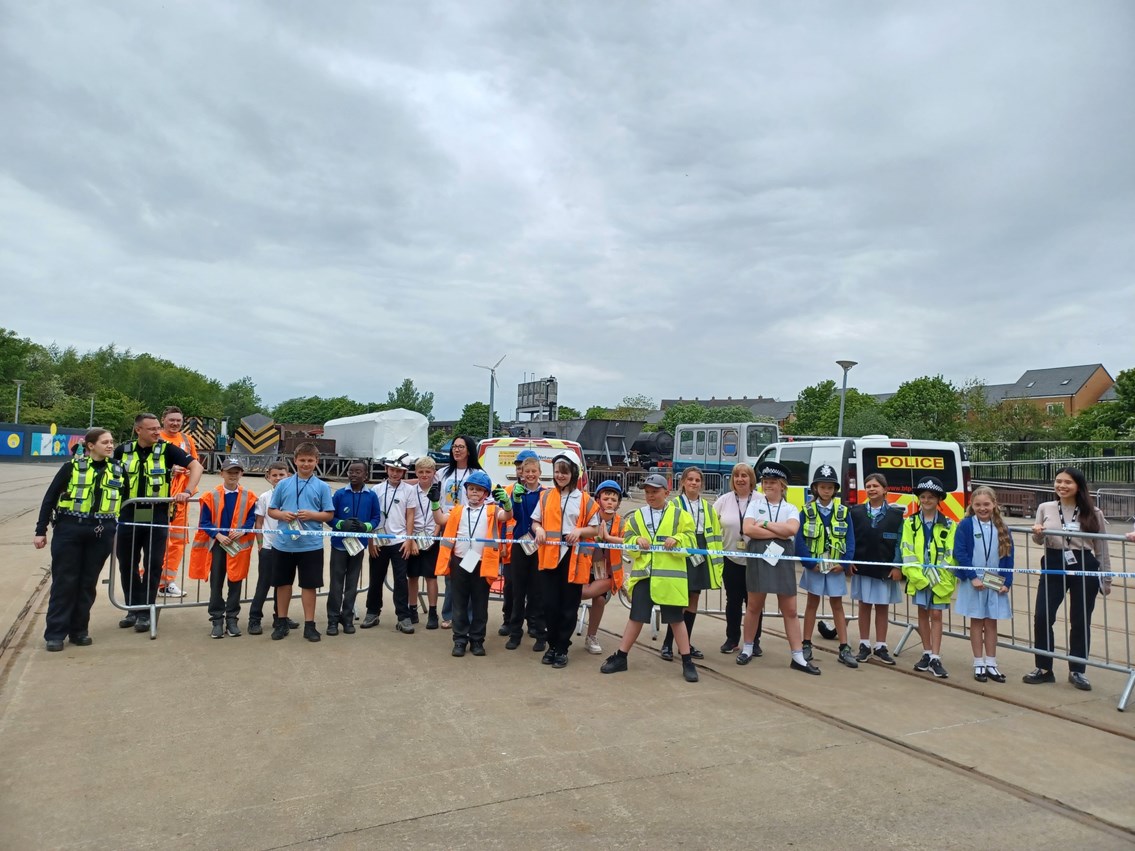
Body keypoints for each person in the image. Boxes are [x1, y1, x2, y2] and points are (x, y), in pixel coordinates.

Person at [600, 473, 699, 683]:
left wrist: (678, 538)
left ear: (666, 492)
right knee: (636, 617)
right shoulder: (637, 516)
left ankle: (687, 660)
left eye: (655, 492)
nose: (650, 496)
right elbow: (628, 541)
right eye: (647, 492)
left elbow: (691, 541)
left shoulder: (681, 515)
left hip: (670, 580)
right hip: (644, 576)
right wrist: (637, 540)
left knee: (676, 619)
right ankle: (621, 657)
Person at [33, 428, 124, 651]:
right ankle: (55, 633)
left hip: (101, 532)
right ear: (90, 446)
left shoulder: (118, 470)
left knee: (87, 583)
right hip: (70, 529)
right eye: (105, 442)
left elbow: (126, 500)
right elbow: (50, 498)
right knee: (65, 582)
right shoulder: (71, 468)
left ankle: (79, 630)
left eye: (112, 442)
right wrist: (41, 529)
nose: (110, 446)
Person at [1023, 466, 1111, 691]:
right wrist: (1037, 533)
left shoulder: (1094, 512)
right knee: (1042, 615)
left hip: (1084, 564)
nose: (1061, 485)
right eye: (1058, 481)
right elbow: (1037, 540)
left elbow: (1101, 548)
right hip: (1053, 561)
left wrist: (1106, 578)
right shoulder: (1046, 507)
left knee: (1080, 620)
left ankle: (1078, 670)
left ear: (1078, 486)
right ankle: (1044, 667)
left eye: (1067, 482)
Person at [114, 413, 203, 634]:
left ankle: (146, 610)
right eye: (152, 429)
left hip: (156, 516)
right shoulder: (122, 451)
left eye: (157, 428)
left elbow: (196, 466)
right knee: (127, 563)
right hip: (129, 514)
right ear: (138, 430)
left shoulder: (167, 450)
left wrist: (187, 491)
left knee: (154, 564)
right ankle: (132, 608)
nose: (157, 432)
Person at [738, 462, 817, 674]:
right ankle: (747, 648)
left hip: (782, 558)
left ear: (782, 486)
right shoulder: (755, 504)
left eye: (772, 482)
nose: (767, 485)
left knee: (790, 609)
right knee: (754, 605)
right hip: (758, 556)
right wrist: (778, 533)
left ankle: (798, 656)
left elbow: (792, 529)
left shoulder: (791, 508)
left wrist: (764, 525)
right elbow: (748, 530)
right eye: (765, 482)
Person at [531, 454, 599, 668]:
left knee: (569, 605)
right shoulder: (546, 496)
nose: (560, 476)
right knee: (549, 604)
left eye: (565, 472)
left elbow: (595, 529)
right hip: (550, 556)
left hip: (574, 557)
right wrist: (539, 529)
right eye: (557, 471)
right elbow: (535, 522)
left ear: (574, 474)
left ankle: (562, 648)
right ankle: (552, 645)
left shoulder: (586, 500)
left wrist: (579, 531)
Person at [433, 471, 511, 657]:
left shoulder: (492, 510)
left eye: (479, 490)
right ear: (466, 491)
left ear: (486, 494)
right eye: (471, 489)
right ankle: (460, 640)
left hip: (482, 563)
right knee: (459, 603)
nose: (475, 493)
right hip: (460, 561)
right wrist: (435, 503)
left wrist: (507, 503)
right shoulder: (457, 510)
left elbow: (507, 516)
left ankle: (477, 640)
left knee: (479, 603)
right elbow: (439, 520)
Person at [267, 443, 335, 642]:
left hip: (311, 545)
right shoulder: (283, 484)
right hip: (284, 543)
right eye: (302, 460)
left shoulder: (322, 486)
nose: (306, 464)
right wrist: (282, 514)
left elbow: (329, 515)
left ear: (316, 462)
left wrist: (313, 515)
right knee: (283, 584)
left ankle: (310, 625)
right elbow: (272, 510)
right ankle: (281, 622)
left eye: (310, 460)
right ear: (295, 461)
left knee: (309, 585)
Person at [186, 458, 257, 639]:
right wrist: (218, 535)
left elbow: (251, 519)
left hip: (237, 545)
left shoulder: (249, 496)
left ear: (241, 473)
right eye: (229, 472)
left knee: (236, 581)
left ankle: (232, 619)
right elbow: (205, 522)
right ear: (222, 474)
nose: (233, 475)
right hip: (218, 545)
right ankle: (217, 620)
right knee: (216, 582)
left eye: (237, 472)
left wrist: (242, 531)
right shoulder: (211, 496)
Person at [796, 465, 859, 668]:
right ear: (815, 488)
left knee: (837, 605)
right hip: (815, 566)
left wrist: (844, 563)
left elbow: (850, 540)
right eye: (822, 487)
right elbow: (800, 540)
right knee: (811, 604)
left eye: (830, 487)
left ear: (835, 490)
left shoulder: (843, 512)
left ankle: (844, 647)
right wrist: (809, 563)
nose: (826, 491)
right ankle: (806, 644)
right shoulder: (806, 511)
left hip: (834, 567)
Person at [661, 467, 723, 661]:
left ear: (701, 484)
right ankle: (667, 643)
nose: (694, 483)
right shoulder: (674, 505)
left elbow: (714, 533)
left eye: (697, 480)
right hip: (681, 551)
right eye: (690, 480)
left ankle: (684, 644)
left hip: (700, 552)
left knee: (693, 598)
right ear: (683, 483)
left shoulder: (708, 506)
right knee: (679, 599)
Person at [953, 486, 1014, 683]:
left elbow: (1008, 556)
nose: (982, 508)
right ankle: (978, 662)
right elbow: (960, 553)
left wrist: (1007, 581)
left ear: (994, 504)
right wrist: (973, 577)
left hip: (994, 579)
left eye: (986, 504)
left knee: (991, 622)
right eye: (977, 504)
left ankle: (991, 663)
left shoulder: (1002, 527)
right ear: (972, 505)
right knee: (977, 621)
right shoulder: (966, 525)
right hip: (975, 579)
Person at [900, 476, 958, 679]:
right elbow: (907, 552)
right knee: (922, 614)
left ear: (939, 499)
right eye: (923, 497)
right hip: (919, 579)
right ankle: (926, 653)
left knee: (937, 615)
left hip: (940, 580)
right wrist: (920, 578)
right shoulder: (911, 523)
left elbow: (951, 554)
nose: (926, 500)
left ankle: (935, 656)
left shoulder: (950, 524)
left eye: (931, 497)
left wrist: (937, 578)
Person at [848, 473, 904, 665]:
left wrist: (897, 566)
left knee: (882, 606)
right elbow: (850, 539)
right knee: (864, 604)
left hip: (884, 569)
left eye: (875, 486)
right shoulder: (855, 512)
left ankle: (881, 645)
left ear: (885, 489)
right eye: (868, 486)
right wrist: (849, 560)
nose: (871, 489)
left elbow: (899, 542)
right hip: (862, 567)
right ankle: (864, 644)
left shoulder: (896, 516)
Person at [713, 463, 763, 655]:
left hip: (755, 560)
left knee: (754, 602)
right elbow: (711, 523)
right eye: (736, 476)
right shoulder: (723, 501)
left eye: (744, 475)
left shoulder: (761, 500)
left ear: (751, 479)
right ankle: (732, 638)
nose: (740, 479)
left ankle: (754, 641)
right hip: (731, 559)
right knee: (733, 601)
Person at [327, 460, 382, 636]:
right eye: (351, 471)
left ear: (365, 475)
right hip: (339, 545)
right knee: (336, 584)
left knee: (352, 584)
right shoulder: (340, 494)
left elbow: (376, 518)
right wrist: (341, 524)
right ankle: (333, 619)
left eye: (358, 472)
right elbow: (329, 517)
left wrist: (366, 527)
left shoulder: (371, 496)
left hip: (358, 546)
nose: (353, 474)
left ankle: (347, 617)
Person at [362, 455, 415, 633]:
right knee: (375, 577)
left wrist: (409, 539)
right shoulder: (375, 489)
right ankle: (372, 612)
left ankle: (403, 616)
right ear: (386, 470)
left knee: (401, 579)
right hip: (379, 541)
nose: (394, 473)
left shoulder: (409, 490)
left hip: (399, 541)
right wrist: (371, 540)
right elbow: (370, 516)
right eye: (392, 469)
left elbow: (410, 516)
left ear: (404, 472)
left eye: (398, 471)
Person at [437, 436, 483, 629]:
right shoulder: (442, 473)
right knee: (451, 574)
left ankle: (469, 616)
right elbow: (435, 497)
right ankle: (449, 614)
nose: (456, 450)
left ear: (469, 450)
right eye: (454, 447)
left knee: (470, 572)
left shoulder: (478, 473)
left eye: (461, 447)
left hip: (469, 528)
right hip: (448, 527)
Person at [504, 450, 547, 652]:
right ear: (521, 473)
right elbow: (518, 518)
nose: (530, 474)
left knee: (537, 592)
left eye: (533, 471)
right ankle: (515, 633)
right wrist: (516, 501)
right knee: (517, 591)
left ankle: (539, 633)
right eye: (526, 471)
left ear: (539, 472)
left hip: (539, 547)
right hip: (520, 545)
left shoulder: (546, 494)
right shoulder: (516, 491)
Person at [580, 480, 626, 655]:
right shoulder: (589, 517)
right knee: (577, 593)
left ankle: (591, 636)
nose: (609, 502)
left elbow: (629, 541)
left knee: (598, 599)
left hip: (605, 572)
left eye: (614, 500)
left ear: (618, 503)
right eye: (606, 498)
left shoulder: (621, 523)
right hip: (583, 566)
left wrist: (607, 537)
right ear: (598, 500)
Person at [157, 406, 199, 598]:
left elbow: (196, 466)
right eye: (171, 420)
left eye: (178, 421)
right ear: (163, 419)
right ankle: (150, 578)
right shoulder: (155, 438)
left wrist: (188, 482)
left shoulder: (187, 441)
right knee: (155, 541)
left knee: (177, 542)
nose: (175, 424)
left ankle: (166, 582)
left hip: (180, 500)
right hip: (158, 498)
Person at [249, 461, 293, 635]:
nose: (278, 478)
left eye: (281, 475)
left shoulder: (291, 495)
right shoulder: (264, 497)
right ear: (268, 477)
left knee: (282, 583)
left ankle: (280, 616)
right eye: (274, 475)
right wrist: (260, 544)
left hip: (286, 546)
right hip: (268, 546)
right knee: (264, 583)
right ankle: (254, 618)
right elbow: (258, 522)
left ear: (288, 475)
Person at [406, 456, 442, 630]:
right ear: (416, 473)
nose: (424, 475)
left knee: (431, 576)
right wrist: (411, 539)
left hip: (431, 539)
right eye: (421, 472)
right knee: (412, 576)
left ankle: (433, 611)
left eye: (428, 472)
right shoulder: (411, 491)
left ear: (434, 473)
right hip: (414, 539)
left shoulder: (439, 491)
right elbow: (408, 516)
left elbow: (440, 515)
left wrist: (433, 537)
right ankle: (412, 608)